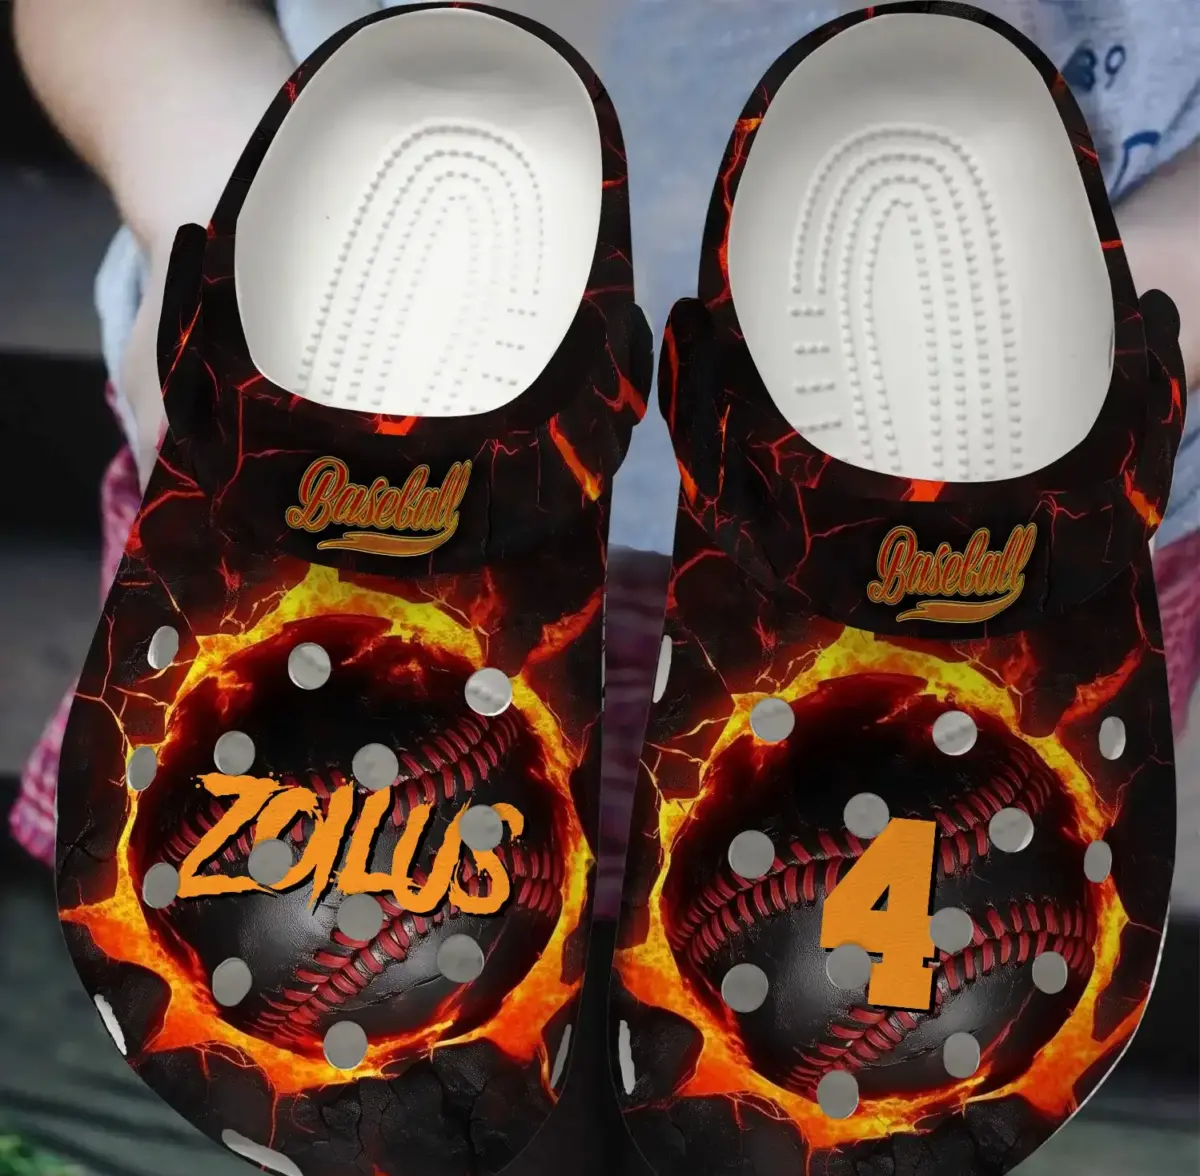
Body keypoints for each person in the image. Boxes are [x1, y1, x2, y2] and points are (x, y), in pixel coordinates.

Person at [11, 0, 1200, 883]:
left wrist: (1123, 326)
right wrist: (229, 208)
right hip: (331, 494)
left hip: (1017, 549)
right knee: (364, 1027)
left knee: (863, 1043)